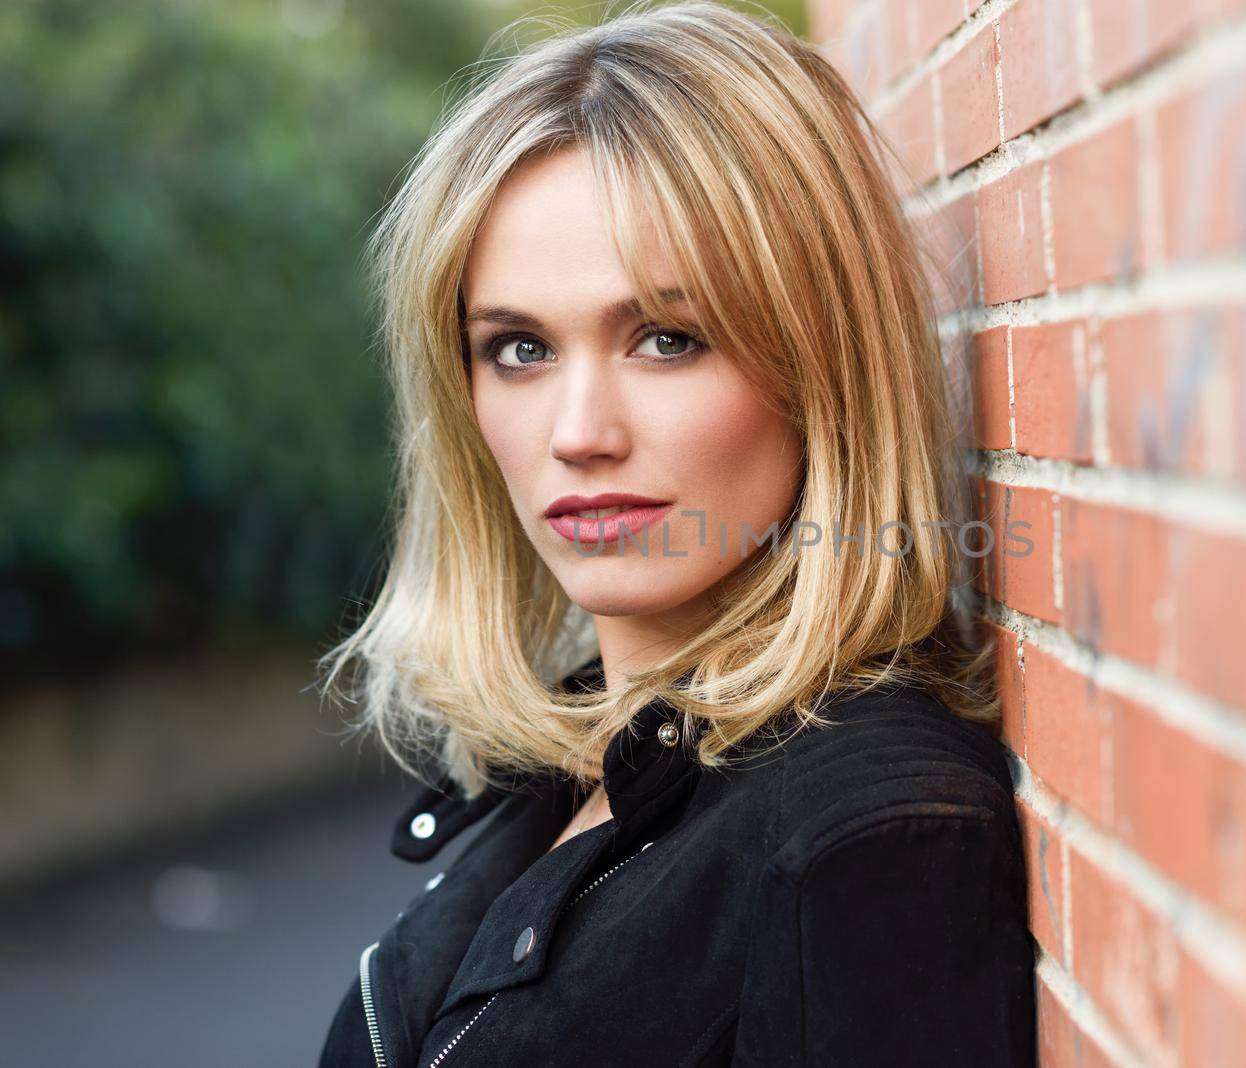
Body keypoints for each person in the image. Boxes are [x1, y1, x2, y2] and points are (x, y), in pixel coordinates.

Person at [314, 2, 1037, 1064]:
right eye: (517, 349)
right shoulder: (575, 765)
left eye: (666, 338)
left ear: (822, 364)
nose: (578, 434)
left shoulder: (862, 841)